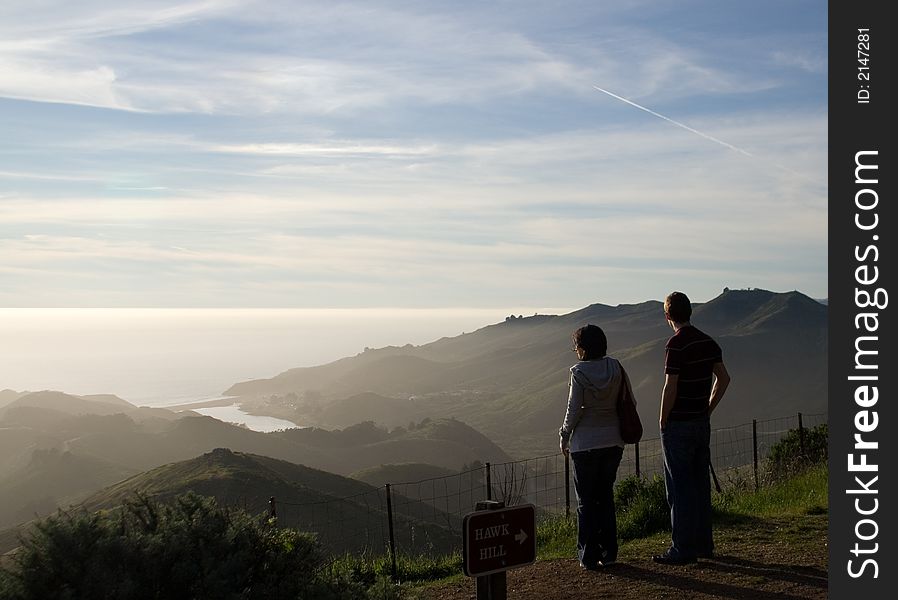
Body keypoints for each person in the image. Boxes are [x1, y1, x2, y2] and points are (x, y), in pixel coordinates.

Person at [653, 291, 731, 565]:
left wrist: (663, 419)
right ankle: (703, 545)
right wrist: (708, 407)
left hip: (678, 424)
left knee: (679, 487)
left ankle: (681, 548)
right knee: (699, 485)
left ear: (668, 316)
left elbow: (670, 386)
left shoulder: (675, 345)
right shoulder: (708, 342)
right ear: (690, 311)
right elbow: (723, 378)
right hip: (701, 421)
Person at [559, 324, 628, 570]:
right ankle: (609, 553)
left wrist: (564, 435)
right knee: (605, 497)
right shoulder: (616, 367)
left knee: (586, 502)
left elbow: (573, 410)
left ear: (583, 348)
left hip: (585, 444)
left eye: (576, 347)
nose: (575, 351)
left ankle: (588, 555)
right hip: (613, 440)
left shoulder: (578, 372)